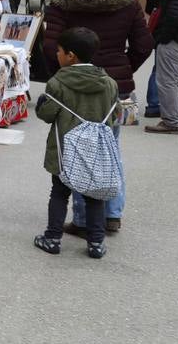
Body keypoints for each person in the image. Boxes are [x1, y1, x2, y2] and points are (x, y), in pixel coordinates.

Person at [41, 0, 152, 235]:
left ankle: (84, 219)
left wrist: (61, 80)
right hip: (116, 88)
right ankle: (112, 214)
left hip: (75, 89)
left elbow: (51, 48)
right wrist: (123, 68)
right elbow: (143, 44)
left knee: (78, 152)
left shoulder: (63, 2)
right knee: (109, 150)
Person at [32, 27, 119, 259]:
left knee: (59, 193)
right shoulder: (109, 83)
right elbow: (115, 115)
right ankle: (96, 243)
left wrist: (42, 105)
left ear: (71, 56)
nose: (56, 55)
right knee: (94, 196)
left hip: (64, 149)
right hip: (95, 149)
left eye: (59, 51)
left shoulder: (57, 83)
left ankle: (52, 238)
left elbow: (47, 115)